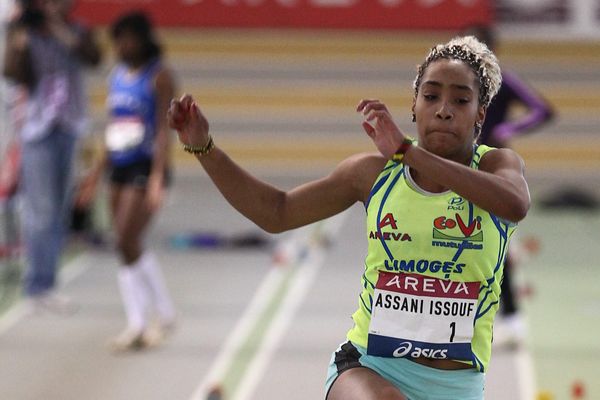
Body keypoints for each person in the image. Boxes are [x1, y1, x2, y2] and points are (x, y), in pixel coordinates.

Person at [168, 36, 530, 399]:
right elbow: (276, 212)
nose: (444, 110)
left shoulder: (497, 167)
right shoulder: (373, 174)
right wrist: (204, 148)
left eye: (460, 100)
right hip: (370, 368)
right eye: (431, 96)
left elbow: (515, 204)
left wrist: (408, 152)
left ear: (481, 112)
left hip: (458, 385)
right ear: (414, 107)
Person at [77, 11, 177, 352]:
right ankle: (155, 316)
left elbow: (164, 131)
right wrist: (94, 176)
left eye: (129, 38)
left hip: (145, 164)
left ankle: (146, 319)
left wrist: (158, 176)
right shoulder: (116, 75)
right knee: (125, 242)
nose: (123, 45)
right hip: (118, 164)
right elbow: (111, 127)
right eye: (118, 38)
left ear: (144, 39)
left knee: (126, 236)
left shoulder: (159, 76)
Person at [2, 0, 101, 313]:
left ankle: (48, 282)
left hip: (69, 125)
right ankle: (37, 285)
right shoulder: (25, 33)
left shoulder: (76, 31)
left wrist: (58, 29)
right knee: (40, 209)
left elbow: (93, 58)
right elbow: (12, 73)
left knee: (58, 210)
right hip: (37, 128)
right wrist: (20, 38)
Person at [462, 23, 554, 346]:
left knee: (495, 246)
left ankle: (511, 320)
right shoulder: (457, 82)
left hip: (496, 170)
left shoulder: (503, 81)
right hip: (461, 168)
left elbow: (544, 110)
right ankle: (467, 317)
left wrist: (505, 131)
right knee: (458, 240)